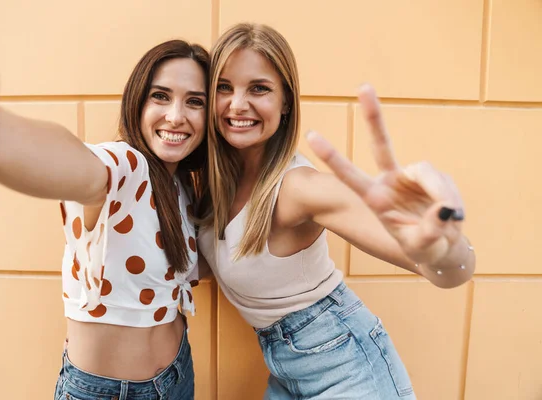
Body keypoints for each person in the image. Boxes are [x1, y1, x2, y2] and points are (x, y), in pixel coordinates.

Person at [0, 1, 208, 398]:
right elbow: (78, 166)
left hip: (176, 375)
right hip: (105, 391)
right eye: (161, 96)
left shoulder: (184, 189)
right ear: (137, 102)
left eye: (194, 101)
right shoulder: (127, 166)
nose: (176, 116)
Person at [198, 22, 476, 399]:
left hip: (347, 367)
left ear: (286, 103)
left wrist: (442, 247)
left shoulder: (300, 188)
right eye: (223, 88)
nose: (237, 104)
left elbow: (448, 273)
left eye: (259, 88)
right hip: (286, 370)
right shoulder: (215, 186)